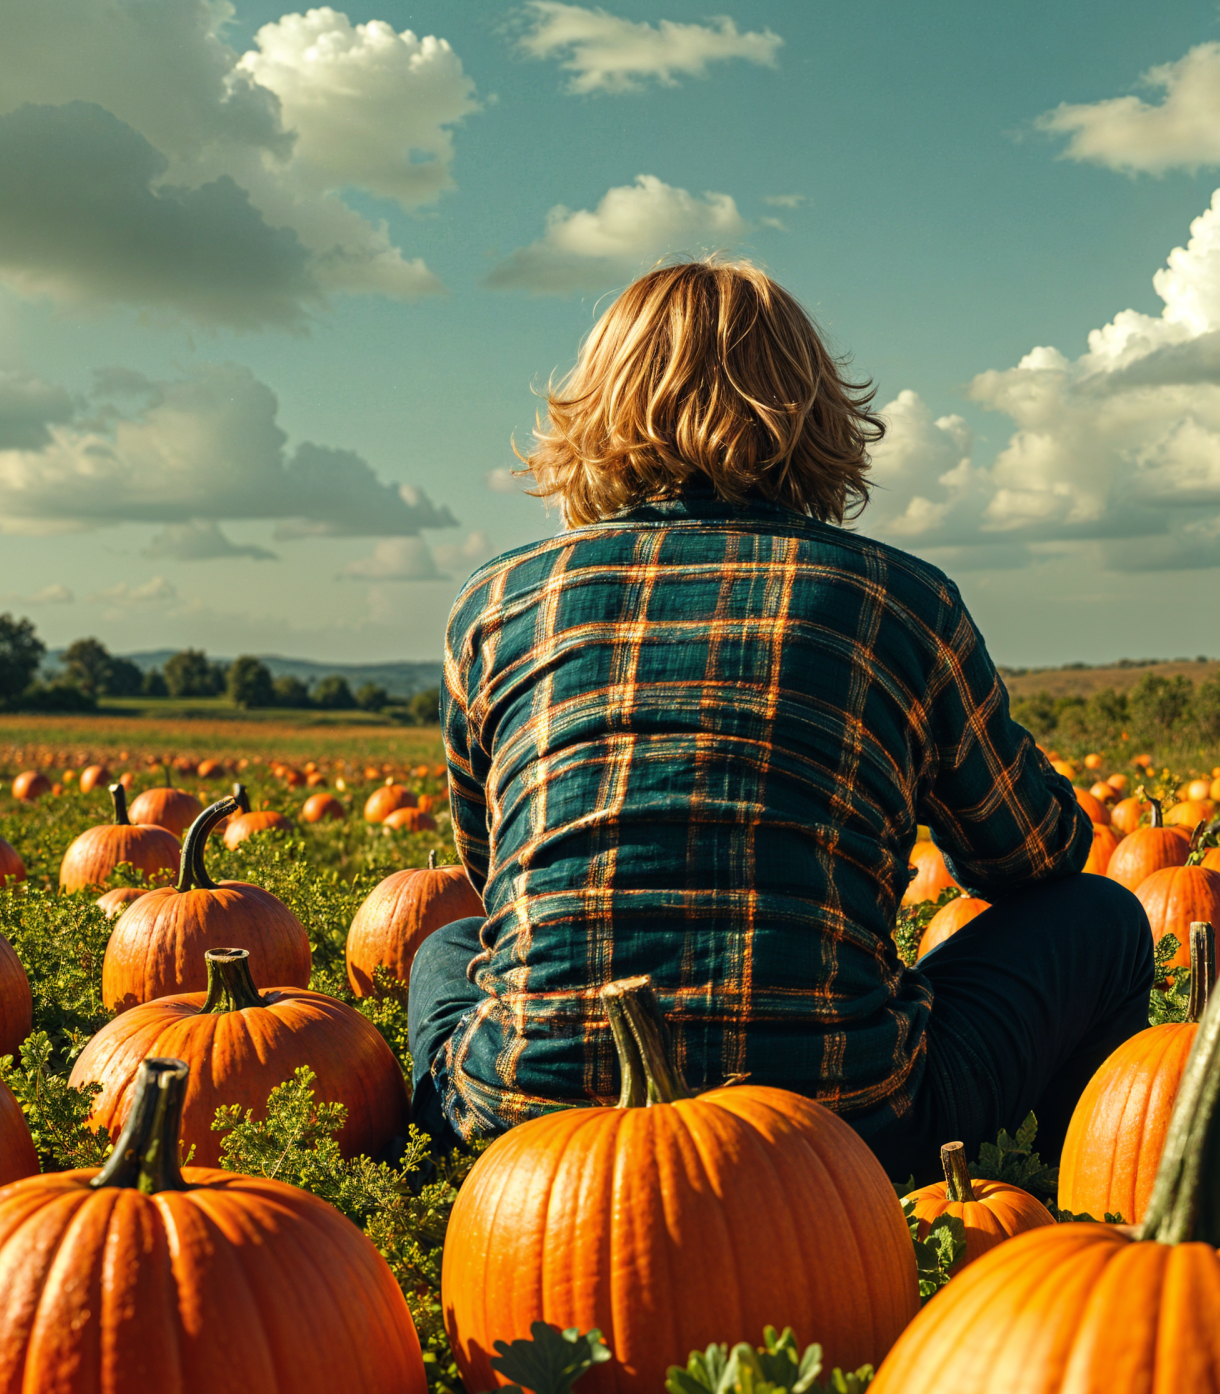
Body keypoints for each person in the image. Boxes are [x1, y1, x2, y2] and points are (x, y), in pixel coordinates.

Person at [408, 258, 1152, 1176]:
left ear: (592, 411)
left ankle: (453, 1168)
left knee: (446, 945)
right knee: (1103, 917)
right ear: (815, 412)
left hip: (536, 1128)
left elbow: (496, 877)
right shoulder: (900, 602)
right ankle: (1040, 1181)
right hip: (843, 1128)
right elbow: (1036, 857)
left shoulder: (496, 604)